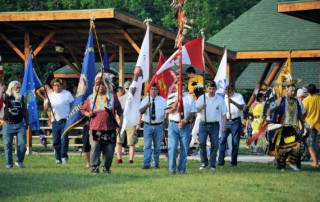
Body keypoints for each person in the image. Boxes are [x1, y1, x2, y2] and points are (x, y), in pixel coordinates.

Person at [81, 72, 123, 174]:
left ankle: (106, 167)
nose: (101, 87)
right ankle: (94, 167)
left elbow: (120, 111)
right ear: (95, 86)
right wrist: (88, 114)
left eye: (103, 85)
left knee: (109, 150)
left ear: (106, 86)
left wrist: (120, 123)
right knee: (95, 147)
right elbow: (83, 110)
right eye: (98, 85)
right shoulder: (91, 98)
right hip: (95, 128)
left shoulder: (112, 97)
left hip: (110, 128)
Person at [271, 83, 305, 171]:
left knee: (297, 147)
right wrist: (269, 120)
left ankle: (294, 163)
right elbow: (270, 109)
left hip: (293, 128)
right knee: (282, 150)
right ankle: (281, 166)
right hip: (282, 128)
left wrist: (303, 125)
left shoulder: (297, 101)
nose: (293, 92)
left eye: (294, 91)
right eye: (291, 90)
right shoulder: (280, 100)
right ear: (286, 90)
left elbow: (300, 114)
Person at [196, 81, 227, 171]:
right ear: (206, 88)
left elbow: (224, 114)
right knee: (202, 143)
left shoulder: (220, 100)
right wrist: (202, 107)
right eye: (210, 88)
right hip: (203, 123)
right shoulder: (202, 98)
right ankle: (204, 161)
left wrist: (224, 126)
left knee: (215, 145)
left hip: (215, 125)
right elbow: (195, 110)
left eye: (213, 89)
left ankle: (212, 164)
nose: (211, 90)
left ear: (216, 89)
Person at [167, 82, 196, 174]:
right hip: (173, 125)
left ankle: (182, 169)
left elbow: (192, 112)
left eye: (183, 84)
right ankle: (172, 169)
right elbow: (170, 111)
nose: (181, 86)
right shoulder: (171, 96)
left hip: (185, 125)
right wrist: (177, 101)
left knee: (184, 148)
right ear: (175, 86)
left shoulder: (189, 97)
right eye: (178, 84)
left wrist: (185, 121)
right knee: (173, 147)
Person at [44, 78, 74, 164]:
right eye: (56, 85)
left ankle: (64, 156)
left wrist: (72, 117)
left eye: (60, 85)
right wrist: (47, 104)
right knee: (56, 140)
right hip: (55, 120)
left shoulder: (67, 94)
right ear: (53, 87)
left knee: (64, 139)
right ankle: (58, 157)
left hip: (65, 120)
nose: (58, 87)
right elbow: (46, 109)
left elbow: (73, 106)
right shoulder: (50, 96)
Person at [139, 83, 167, 169]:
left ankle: (156, 163)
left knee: (157, 146)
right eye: (152, 89)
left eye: (155, 89)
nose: (153, 91)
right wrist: (146, 106)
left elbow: (166, 113)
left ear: (158, 91)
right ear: (149, 90)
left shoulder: (162, 100)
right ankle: (146, 163)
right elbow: (141, 111)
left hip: (158, 126)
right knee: (147, 145)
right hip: (148, 125)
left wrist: (165, 121)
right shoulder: (145, 100)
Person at [2, 81, 29, 168]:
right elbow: (1, 100)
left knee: (22, 144)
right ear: (11, 88)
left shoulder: (22, 98)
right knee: (8, 145)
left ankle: (19, 161)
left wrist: (27, 122)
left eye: (19, 88)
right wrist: (2, 91)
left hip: (20, 124)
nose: (18, 89)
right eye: (16, 88)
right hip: (8, 124)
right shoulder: (6, 97)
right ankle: (9, 164)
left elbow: (25, 111)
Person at [218, 83, 245, 166]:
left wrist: (232, 102)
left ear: (233, 90)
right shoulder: (222, 97)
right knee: (222, 141)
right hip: (225, 121)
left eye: (229, 92)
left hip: (235, 121)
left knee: (235, 142)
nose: (227, 93)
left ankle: (233, 161)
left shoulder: (238, 96)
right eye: (226, 91)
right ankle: (220, 161)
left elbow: (241, 107)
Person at [116, 80, 137, 164]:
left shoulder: (135, 100)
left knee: (131, 142)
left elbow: (137, 111)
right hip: (121, 122)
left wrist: (137, 123)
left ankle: (131, 159)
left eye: (130, 88)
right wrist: (118, 122)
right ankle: (119, 158)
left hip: (131, 122)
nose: (128, 90)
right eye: (127, 89)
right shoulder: (120, 99)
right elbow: (117, 112)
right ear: (124, 90)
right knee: (119, 141)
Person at [302, 84, 320, 168]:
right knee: (316, 144)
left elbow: (303, 113)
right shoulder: (319, 99)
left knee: (310, 144)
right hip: (318, 125)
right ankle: (316, 161)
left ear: (308, 92)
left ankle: (315, 162)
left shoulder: (306, 100)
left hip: (309, 125)